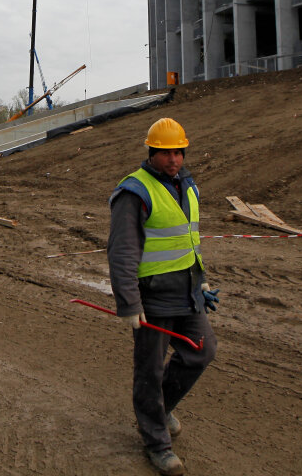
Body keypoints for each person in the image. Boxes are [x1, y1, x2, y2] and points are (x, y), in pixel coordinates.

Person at [107, 117, 219, 476]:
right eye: (166, 152)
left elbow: (188, 241)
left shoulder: (187, 186)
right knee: (149, 371)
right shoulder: (134, 192)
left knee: (202, 350)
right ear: (151, 152)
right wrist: (129, 303)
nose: (173, 158)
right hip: (152, 299)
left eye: (178, 151)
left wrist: (200, 282)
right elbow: (122, 252)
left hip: (186, 293)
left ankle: (161, 407)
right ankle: (156, 443)